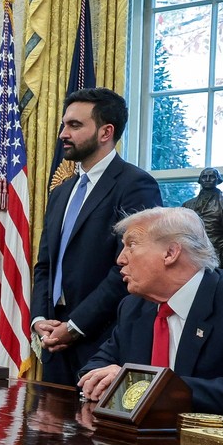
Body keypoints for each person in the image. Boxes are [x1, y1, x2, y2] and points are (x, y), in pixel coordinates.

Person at [77, 207, 223, 415]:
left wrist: (147, 387)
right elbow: (97, 365)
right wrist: (105, 379)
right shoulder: (133, 307)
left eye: (131, 245)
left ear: (171, 253)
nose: (120, 259)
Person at [30, 88, 162, 385]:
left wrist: (75, 327)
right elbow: (45, 266)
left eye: (75, 125)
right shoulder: (62, 192)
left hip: (101, 343)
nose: (63, 133)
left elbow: (128, 268)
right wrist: (40, 320)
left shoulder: (135, 184)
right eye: (64, 124)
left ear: (106, 132)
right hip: (53, 341)